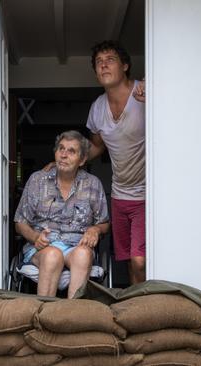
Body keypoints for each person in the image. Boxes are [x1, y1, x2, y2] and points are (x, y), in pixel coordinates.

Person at [14, 130, 110, 298]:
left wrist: (95, 230)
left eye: (71, 151)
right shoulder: (38, 180)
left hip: (76, 245)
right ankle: (44, 314)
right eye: (61, 149)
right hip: (42, 248)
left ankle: (71, 316)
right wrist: (35, 237)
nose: (64, 155)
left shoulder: (92, 184)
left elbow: (104, 223)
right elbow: (19, 223)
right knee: (53, 255)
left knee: (84, 254)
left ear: (82, 160)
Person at [87, 40, 146, 284]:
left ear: (125, 66)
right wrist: (61, 163)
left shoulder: (144, 92)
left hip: (148, 194)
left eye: (109, 59)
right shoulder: (98, 107)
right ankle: (138, 312)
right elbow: (96, 147)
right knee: (128, 263)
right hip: (120, 195)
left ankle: (147, 309)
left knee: (139, 260)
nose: (103, 65)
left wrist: (156, 98)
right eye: (99, 62)